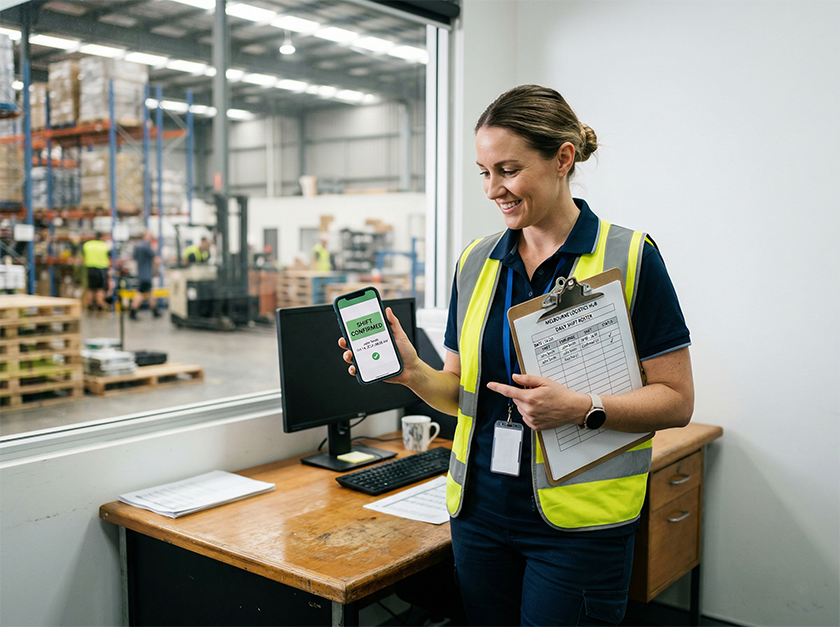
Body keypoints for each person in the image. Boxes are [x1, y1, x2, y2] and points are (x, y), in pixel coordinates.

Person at [339, 85, 694, 627]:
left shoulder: (629, 257)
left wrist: (581, 408)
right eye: (484, 172)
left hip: (579, 527)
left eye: (507, 170)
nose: (492, 189)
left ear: (563, 159)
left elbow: (676, 401)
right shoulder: (476, 262)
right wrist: (414, 375)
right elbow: (462, 394)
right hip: (479, 515)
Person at [129, 230, 161, 320]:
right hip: (146, 274)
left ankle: (155, 311)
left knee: (149, 292)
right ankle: (133, 311)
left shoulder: (137, 246)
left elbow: (134, 258)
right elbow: (155, 259)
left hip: (141, 273)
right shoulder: (147, 246)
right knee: (141, 293)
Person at [82, 231, 110, 311]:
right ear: (101, 237)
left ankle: (89, 305)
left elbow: (83, 256)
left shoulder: (87, 245)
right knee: (100, 288)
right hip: (101, 269)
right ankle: (99, 305)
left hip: (90, 269)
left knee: (90, 288)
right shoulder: (104, 246)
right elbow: (109, 256)